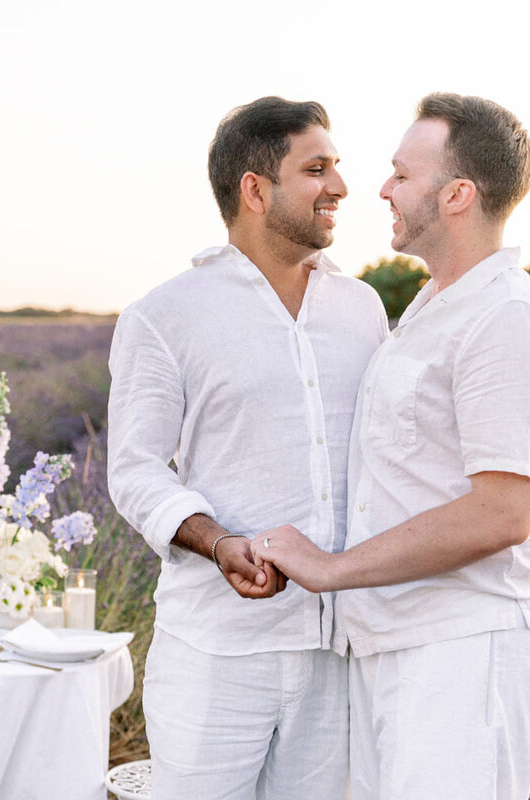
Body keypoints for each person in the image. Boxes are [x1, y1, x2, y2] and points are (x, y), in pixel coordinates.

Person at [254, 93, 530, 800]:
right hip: (395, 646)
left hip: (463, 652)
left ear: (458, 194)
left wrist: (331, 568)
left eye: (403, 174)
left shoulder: (509, 318)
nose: (381, 189)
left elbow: (500, 514)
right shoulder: (434, 306)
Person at [107, 97, 387, 798]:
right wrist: (216, 539)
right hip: (216, 651)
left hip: (338, 647)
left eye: (337, 167)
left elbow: (397, 452)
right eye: (316, 169)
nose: (341, 187)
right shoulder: (165, 315)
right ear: (255, 189)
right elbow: (134, 469)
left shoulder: (363, 308)